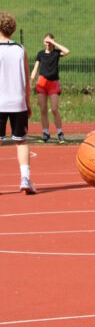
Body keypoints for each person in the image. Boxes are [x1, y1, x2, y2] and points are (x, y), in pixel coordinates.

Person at [0, 12, 37, 194]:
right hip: (18, 102)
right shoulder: (21, 50)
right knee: (21, 142)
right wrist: (27, 102)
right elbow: (26, 80)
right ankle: (25, 179)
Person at [30, 33, 70, 143]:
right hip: (42, 83)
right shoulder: (40, 54)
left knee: (54, 109)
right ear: (43, 42)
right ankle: (46, 133)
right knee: (43, 109)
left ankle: (60, 133)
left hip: (53, 83)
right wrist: (30, 83)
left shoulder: (56, 53)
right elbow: (35, 69)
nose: (47, 43)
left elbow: (67, 51)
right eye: (46, 41)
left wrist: (54, 43)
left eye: (49, 41)